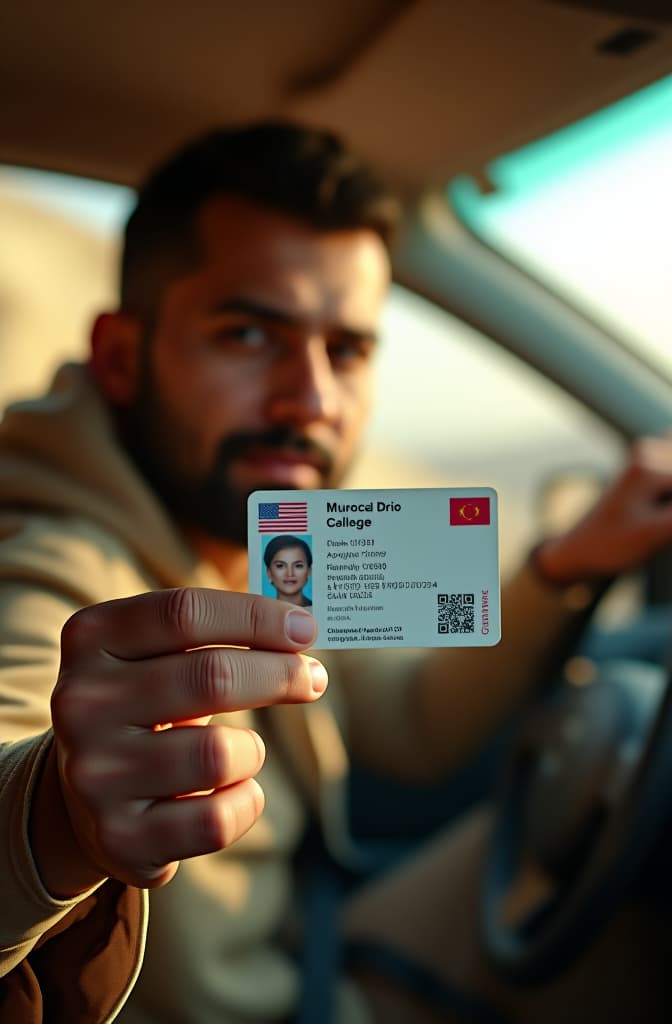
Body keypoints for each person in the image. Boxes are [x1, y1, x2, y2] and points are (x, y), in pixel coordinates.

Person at [1, 121, 672, 1024]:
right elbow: (25, 709)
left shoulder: (263, 541)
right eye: (248, 334)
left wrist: (562, 566)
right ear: (123, 357)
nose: (311, 399)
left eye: (347, 350)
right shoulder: (57, 565)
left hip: (316, 948)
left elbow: (402, 725)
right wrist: (49, 818)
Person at [264, 535, 313, 607]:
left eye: (298, 566)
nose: (290, 574)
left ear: (309, 571)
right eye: (280, 566)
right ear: (269, 573)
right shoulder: (261, 611)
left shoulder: (322, 610)